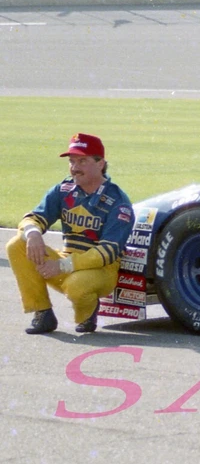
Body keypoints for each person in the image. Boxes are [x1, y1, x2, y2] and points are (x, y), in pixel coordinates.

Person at [7, 134, 133, 335]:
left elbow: (108, 252)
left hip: (101, 270)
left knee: (77, 285)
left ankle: (87, 313)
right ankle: (42, 313)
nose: (75, 167)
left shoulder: (117, 201)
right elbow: (33, 217)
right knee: (16, 245)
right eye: (72, 161)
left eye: (82, 161)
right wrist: (32, 233)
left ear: (101, 163)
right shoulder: (64, 190)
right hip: (65, 263)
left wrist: (62, 266)